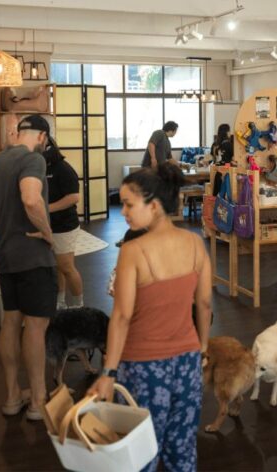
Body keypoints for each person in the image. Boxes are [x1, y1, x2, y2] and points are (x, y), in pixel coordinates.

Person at [88, 162, 212, 472]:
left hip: (142, 368)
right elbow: (204, 304)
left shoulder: (133, 250)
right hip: (188, 363)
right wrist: (202, 349)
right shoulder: (195, 243)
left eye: (129, 204)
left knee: (140, 452)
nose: (123, 211)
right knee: (182, 448)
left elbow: (121, 317)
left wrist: (108, 373)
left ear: (154, 206)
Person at [0, 114, 57, 421]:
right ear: (41, 137)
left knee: (11, 322)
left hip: (4, 253)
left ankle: (13, 396)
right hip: (31, 254)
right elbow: (30, 199)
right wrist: (48, 233)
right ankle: (38, 401)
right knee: (36, 327)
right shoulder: (33, 160)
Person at [43, 137, 83, 309]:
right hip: (49, 224)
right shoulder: (40, 167)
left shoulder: (63, 169)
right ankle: (60, 300)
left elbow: (74, 197)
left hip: (64, 225)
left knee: (66, 266)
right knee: (58, 265)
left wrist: (47, 208)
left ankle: (79, 305)